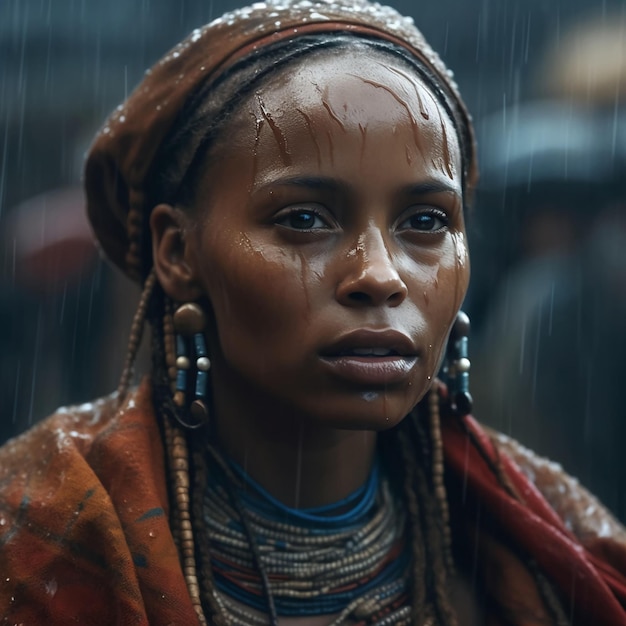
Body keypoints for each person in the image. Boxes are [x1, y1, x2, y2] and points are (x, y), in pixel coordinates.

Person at [1, 0, 626, 624]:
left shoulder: (550, 552)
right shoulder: (37, 540)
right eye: (303, 219)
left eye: (426, 222)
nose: (380, 275)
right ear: (178, 250)